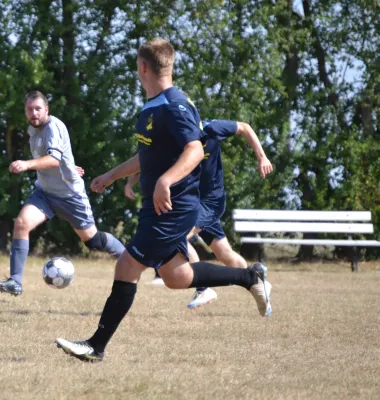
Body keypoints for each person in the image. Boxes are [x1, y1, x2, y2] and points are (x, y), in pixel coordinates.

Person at [54, 38, 272, 362]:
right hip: (156, 206)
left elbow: (196, 149)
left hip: (173, 207)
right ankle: (249, 277)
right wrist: (111, 176)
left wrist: (166, 181)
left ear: (143, 67)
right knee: (177, 277)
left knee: (127, 264)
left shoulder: (174, 104)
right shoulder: (151, 107)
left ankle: (96, 346)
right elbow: (147, 155)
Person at [124, 120, 273, 308]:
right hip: (190, 202)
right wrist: (129, 182)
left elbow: (244, 127)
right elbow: (144, 156)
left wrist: (262, 157)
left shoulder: (212, 128)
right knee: (225, 253)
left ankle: (203, 288)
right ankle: (257, 278)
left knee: (179, 237)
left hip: (210, 202)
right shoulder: (172, 135)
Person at [0, 91, 125, 296]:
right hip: (44, 193)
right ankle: (15, 281)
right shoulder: (32, 129)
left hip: (70, 196)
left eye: (38, 109)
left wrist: (27, 164)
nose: (34, 113)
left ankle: (128, 256)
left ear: (46, 109)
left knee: (94, 242)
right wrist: (69, 166)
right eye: (30, 109)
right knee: (21, 224)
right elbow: (60, 156)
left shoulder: (53, 126)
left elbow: (53, 159)